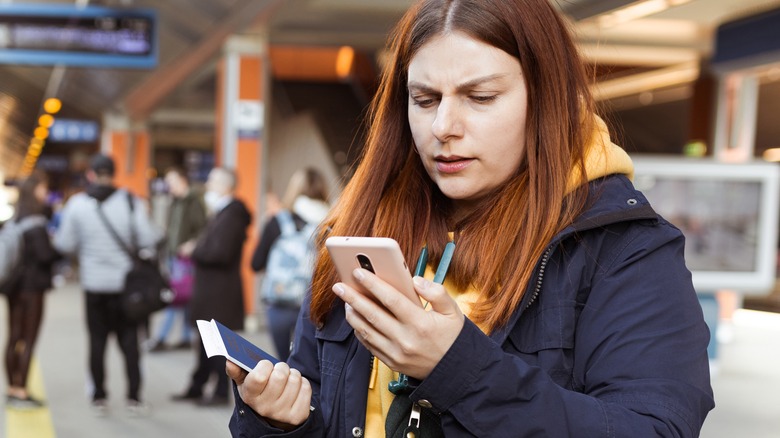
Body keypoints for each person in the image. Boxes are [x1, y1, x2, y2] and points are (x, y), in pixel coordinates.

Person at [225, 0, 715, 436]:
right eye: (424, 100)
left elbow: (653, 427)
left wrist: (459, 368)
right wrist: (278, 421)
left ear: (547, 100)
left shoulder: (623, 248)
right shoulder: (361, 226)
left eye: (480, 98)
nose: (443, 128)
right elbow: (324, 401)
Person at [53, 154, 162, 416]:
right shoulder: (129, 200)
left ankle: (99, 397)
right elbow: (148, 238)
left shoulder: (77, 204)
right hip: (125, 287)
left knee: (97, 341)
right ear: (113, 173)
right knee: (129, 343)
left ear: (90, 174)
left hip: (94, 286)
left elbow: (64, 244)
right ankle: (134, 398)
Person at [173, 167, 252, 406]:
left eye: (212, 181)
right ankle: (198, 385)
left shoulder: (232, 214)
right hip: (212, 290)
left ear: (226, 186)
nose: (208, 185)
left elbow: (220, 252)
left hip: (220, 292)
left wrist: (194, 250)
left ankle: (219, 392)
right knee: (206, 341)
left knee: (218, 345)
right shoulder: (222, 212)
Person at [251, 167, 331, 361]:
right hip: (316, 305)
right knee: (311, 364)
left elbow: (256, 263)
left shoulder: (278, 221)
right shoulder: (331, 222)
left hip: (279, 302)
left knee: (286, 362)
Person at [3, 171, 60, 409]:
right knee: (28, 339)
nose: (45, 193)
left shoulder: (14, 219)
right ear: (35, 190)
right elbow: (46, 256)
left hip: (13, 287)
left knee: (13, 337)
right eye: (43, 189)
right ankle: (22, 390)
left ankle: (11, 386)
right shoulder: (37, 224)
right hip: (32, 289)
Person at [147, 167, 207, 352]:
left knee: (175, 296)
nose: (168, 186)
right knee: (185, 296)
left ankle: (161, 337)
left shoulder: (194, 202)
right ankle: (187, 336)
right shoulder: (175, 201)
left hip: (186, 259)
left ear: (182, 181)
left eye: (171, 182)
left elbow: (203, 229)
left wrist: (191, 244)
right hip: (175, 257)